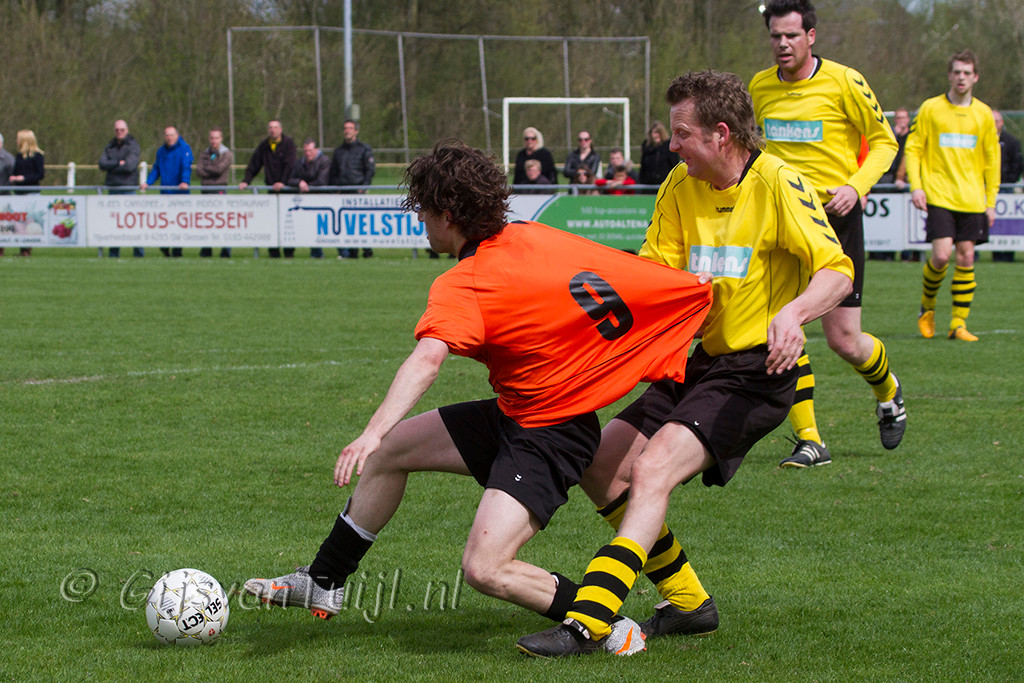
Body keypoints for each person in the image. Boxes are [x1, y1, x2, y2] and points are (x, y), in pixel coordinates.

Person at [243, 140, 714, 653]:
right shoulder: (531, 234)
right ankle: (323, 580)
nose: (420, 223)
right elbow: (614, 273)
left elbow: (427, 360)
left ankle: (603, 620)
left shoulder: (464, 282)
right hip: (517, 413)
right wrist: (688, 287)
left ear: (448, 216)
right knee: (392, 451)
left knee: (484, 568)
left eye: (423, 212)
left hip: (548, 435)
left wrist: (369, 431)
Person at [515, 69, 854, 658]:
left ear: (722, 134)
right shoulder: (679, 183)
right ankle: (689, 602)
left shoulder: (779, 181)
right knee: (601, 464)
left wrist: (794, 312)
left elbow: (837, 269)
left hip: (758, 373)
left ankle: (589, 621)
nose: (671, 146)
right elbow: (655, 275)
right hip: (700, 363)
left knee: (651, 470)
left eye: (682, 134)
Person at [749, 0, 906, 468]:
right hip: (780, 221)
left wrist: (856, 187)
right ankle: (810, 440)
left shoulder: (845, 81)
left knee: (844, 340)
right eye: (776, 36)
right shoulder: (759, 86)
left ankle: (888, 392)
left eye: (791, 35)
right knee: (780, 323)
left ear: (811, 36)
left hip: (835, 219)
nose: (783, 44)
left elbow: (885, 142)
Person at [905, 49, 1000, 341]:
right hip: (939, 195)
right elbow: (913, 149)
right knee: (941, 256)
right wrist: (916, 185)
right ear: (949, 75)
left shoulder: (983, 114)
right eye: (957, 71)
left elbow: (992, 159)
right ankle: (928, 306)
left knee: (967, 256)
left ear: (975, 77)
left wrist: (991, 201)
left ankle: (958, 324)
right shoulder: (931, 108)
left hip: (972, 198)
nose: (961, 77)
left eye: (966, 73)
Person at [240, 120, 297, 257]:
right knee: (272, 222)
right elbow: (254, 164)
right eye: (270, 128)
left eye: (275, 127)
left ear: (280, 129)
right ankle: (273, 252)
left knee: (287, 222)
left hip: (287, 190)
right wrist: (246, 181)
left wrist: (282, 182)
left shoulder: (288, 143)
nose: (273, 130)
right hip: (272, 190)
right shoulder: (264, 145)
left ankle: (289, 252)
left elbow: (290, 165)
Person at [141, 126, 192, 257]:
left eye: (172, 135)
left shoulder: (185, 149)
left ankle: (177, 250)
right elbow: (156, 169)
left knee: (179, 224)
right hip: (165, 193)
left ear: (177, 135)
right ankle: (164, 246)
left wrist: (184, 181)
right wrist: (148, 182)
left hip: (180, 193)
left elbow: (186, 167)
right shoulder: (161, 151)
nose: (169, 138)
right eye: (167, 135)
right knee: (165, 222)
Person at [329, 119, 375, 258]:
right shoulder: (338, 151)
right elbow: (333, 172)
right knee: (346, 223)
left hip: (358, 192)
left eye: (350, 128)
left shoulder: (364, 149)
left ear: (356, 131)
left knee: (362, 222)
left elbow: (370, 170)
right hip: (343, 192)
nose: (347, 131)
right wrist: (336, 188)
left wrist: (363, 187)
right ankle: (351, 251)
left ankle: (367, 250)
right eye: (345, 128)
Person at [98, 119, 144, 257]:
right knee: (113, 223)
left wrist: (112, 166)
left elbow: (129, 166)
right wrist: (119, 163)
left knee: (133, 223)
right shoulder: (110, 146)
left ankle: (138, 253)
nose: (119, 132)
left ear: (127, 130)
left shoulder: (133, 145)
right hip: (113, 188)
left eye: (122, 129)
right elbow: (102, 164)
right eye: (117, 130)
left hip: (128, 188)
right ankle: (113, 253)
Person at [289, 138, 332, 258]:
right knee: (312, 229)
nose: (308, 153)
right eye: (306, 151)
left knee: (332, 226)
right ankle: (316, 254)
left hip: (323, 200)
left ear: (316, 150)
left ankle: (344, 253)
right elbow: (290, 179)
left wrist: (307, 186)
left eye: (310, 150)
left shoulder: (325, 161)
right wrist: (299, 182)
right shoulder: (300, 163)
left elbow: (322, 181)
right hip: (307, 201)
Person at [195, 127, 233, 258]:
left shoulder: (226, 154)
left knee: (222, 222)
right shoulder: (204, 153)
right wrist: (210, 169)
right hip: (206, 191)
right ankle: (206, 249)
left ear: (221, 139)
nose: (214, 140)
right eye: (212, 138)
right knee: (206, 222)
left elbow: (219, 170)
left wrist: (206, 168)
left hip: (219, 190)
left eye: (216, 138)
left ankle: (226, 250)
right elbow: (198, 170)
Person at [8, 130, 46, 256]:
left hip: (31, 193)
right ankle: (22, 248)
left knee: (29, 220)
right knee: (19, 221)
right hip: (19, 192)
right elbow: (15, 171)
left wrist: (24, 178)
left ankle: (27, 249)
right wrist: (13, 178)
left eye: (18, 138)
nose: (16, 141)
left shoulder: (37, 155)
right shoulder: (19, 155)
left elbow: (40, 174)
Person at [992, 110, 1021, 262]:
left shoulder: (1011, 141)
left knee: (1007, 224)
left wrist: (1007, 181)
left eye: (996, 121)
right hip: (985, 188)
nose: (993, 125)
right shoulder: (981, 140)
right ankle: (993, 253)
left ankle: (1008, 255)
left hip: (1005, 188)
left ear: (1001, 122)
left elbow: (1017, 165)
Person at [638, 121, 676, 192]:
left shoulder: (669, 148)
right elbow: (643, 168)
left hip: (665, 185)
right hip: (648, 186)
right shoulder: (647, 149)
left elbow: (674, 165)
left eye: (659, 133)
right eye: (655, 133)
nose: (657, 135)